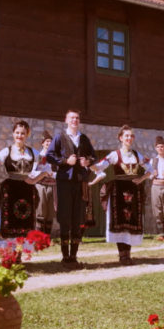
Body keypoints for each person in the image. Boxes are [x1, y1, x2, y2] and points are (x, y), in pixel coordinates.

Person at [93, 126, 153, 265]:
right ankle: (122, 255)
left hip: (133, 190)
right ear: (120, 138)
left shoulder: (138, 155)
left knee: (131, 221)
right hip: (118, 191)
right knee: (120, 221)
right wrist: (91, 165)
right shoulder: (115, 155)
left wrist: (141, 179)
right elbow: (100, 167)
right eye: (126, 136)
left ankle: (128, 254)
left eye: (131, 136)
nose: (129, 138)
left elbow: (151, 169)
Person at [0, 120, 50, 250]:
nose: (19, 136)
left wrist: (34, 180)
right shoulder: (6, 151)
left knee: (25, 220)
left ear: (27, 134)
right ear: (13, 134)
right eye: (17, 133)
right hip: (10, 191)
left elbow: (47, 169)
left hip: (27, 190)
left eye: (22, 133)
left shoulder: (34, 153)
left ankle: (21, 252)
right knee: (9, 221)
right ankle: (9, 251)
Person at [46, 110, 97, 269]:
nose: (75, 120)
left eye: (77, 118)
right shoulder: (59, 137)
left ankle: (74, 256)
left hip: (80, 182)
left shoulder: (83, 138)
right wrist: (66, 161)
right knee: (64, 218)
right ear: (66, 120)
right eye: (72, 118)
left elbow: (93, 156)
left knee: (77, 218)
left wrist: (87, 162)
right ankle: (65, 256)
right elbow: (49, 156)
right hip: (64, 182)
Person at [35, 130, 57, 235]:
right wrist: (43, 173)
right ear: (42, 143)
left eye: (50, 141)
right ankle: (39, 238)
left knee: (50, 213)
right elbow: (34, 171)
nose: (48, 143)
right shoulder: (38, 156)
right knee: (41, 212)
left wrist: (53, 174)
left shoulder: (55, 158)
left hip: (53, 186)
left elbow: (59, 171)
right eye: (47, 141)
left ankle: (47, 238)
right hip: (41, 185)